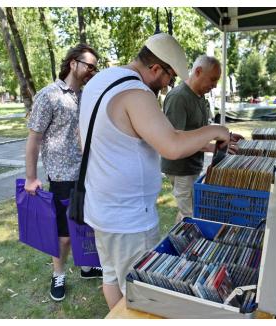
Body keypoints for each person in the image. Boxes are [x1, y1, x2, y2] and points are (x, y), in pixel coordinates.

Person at [79, 33, 231, 309]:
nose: (168, 86)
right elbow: (171, 145)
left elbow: (85, 142)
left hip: (101, 208)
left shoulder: (99, 81)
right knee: (142, 294)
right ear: (156, 68)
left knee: (112, 277)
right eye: (169, 78)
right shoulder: (136, 92)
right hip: (128, 217)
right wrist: (216, 130)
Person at [24, 44, 103, 302]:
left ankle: (87, 266)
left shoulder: (88, 96)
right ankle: (58, 274)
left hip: (89, 174)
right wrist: (31, 177)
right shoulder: (49, 95)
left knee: (86, 226)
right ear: (73, 63)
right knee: (65, 235)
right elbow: (34, 139)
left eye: (95, 67)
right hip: (62, 176)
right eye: (89, 65)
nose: (93, 70)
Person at [161, 55, 243, 223]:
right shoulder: (178, 97)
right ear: (198, 71)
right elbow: (176, 139)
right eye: (212, 80)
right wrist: (214, 148)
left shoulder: (200, 97)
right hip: (181, 168)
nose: (214, 86)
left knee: (188, 211)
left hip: (193, 165)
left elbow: (200, 131)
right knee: (192, 215)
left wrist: (225, 137)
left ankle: (177, 243)